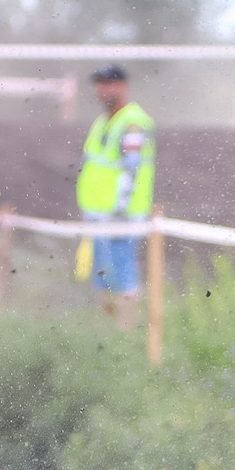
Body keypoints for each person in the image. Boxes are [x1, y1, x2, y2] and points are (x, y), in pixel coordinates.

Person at [75, 65, 155, 327]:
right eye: (100, 84)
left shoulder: (132, 122)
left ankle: (126, 333)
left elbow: (131, 169)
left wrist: (120, 208)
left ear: (123, 86)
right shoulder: (103, 121)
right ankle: (107, 334)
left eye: (110, 83)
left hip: (120, 215)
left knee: (122, 272)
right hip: (99, 214)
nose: (104, 89)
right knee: (102, 274)